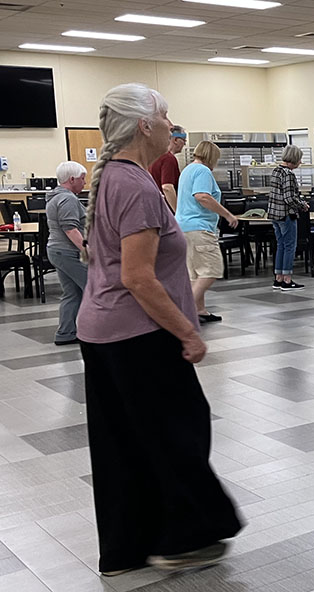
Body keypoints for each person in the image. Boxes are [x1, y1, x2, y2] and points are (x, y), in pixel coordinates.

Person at [76, 83, 241, 577]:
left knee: (125, 441)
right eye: (166, 116)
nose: (174, 125)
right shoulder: (135, 185)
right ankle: (186, 537)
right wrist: (187, 333)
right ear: (144, 125)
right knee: (179, 432)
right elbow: (137, 277)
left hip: (105, 332)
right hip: (136, 336)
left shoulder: (117, 179)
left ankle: (126, 551)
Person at [175, 140, 238, 323]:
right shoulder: (203, 171)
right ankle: (185, 308)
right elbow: (202, 196)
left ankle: (199, 310)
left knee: (195, 272)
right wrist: (227, 215)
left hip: (184, 228)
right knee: (213, 268)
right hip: (199, 228)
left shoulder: (187, 170)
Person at [45, 161, 89, 346]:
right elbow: (70, 228)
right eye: (82, 179)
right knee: (94, 290)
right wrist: (88, 251)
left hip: (57, 251)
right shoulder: (68, 199)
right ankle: (99, 331)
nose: (84, 183)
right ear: (72, 179)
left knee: (72, 293)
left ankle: (66, 332)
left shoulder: (54, 197)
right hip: (68, 252)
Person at [268, 144, 309, 290]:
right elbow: (289, 197)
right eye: (300, 160)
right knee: (290, 246)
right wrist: (302, 205)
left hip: (274, 215)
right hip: (286, 214)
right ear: (295, 159)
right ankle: (287, 279)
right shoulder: (288, 174)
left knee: (281, 245)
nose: (300, 162)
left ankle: (278, 278)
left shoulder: (276, 171)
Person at [148, 124, 186, 210]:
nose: (184, 144)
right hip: (166, 209)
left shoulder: (154, 156)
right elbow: (167, 187)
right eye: (184, 140)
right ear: (176, 140)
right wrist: (178, 212)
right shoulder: (168, 159)